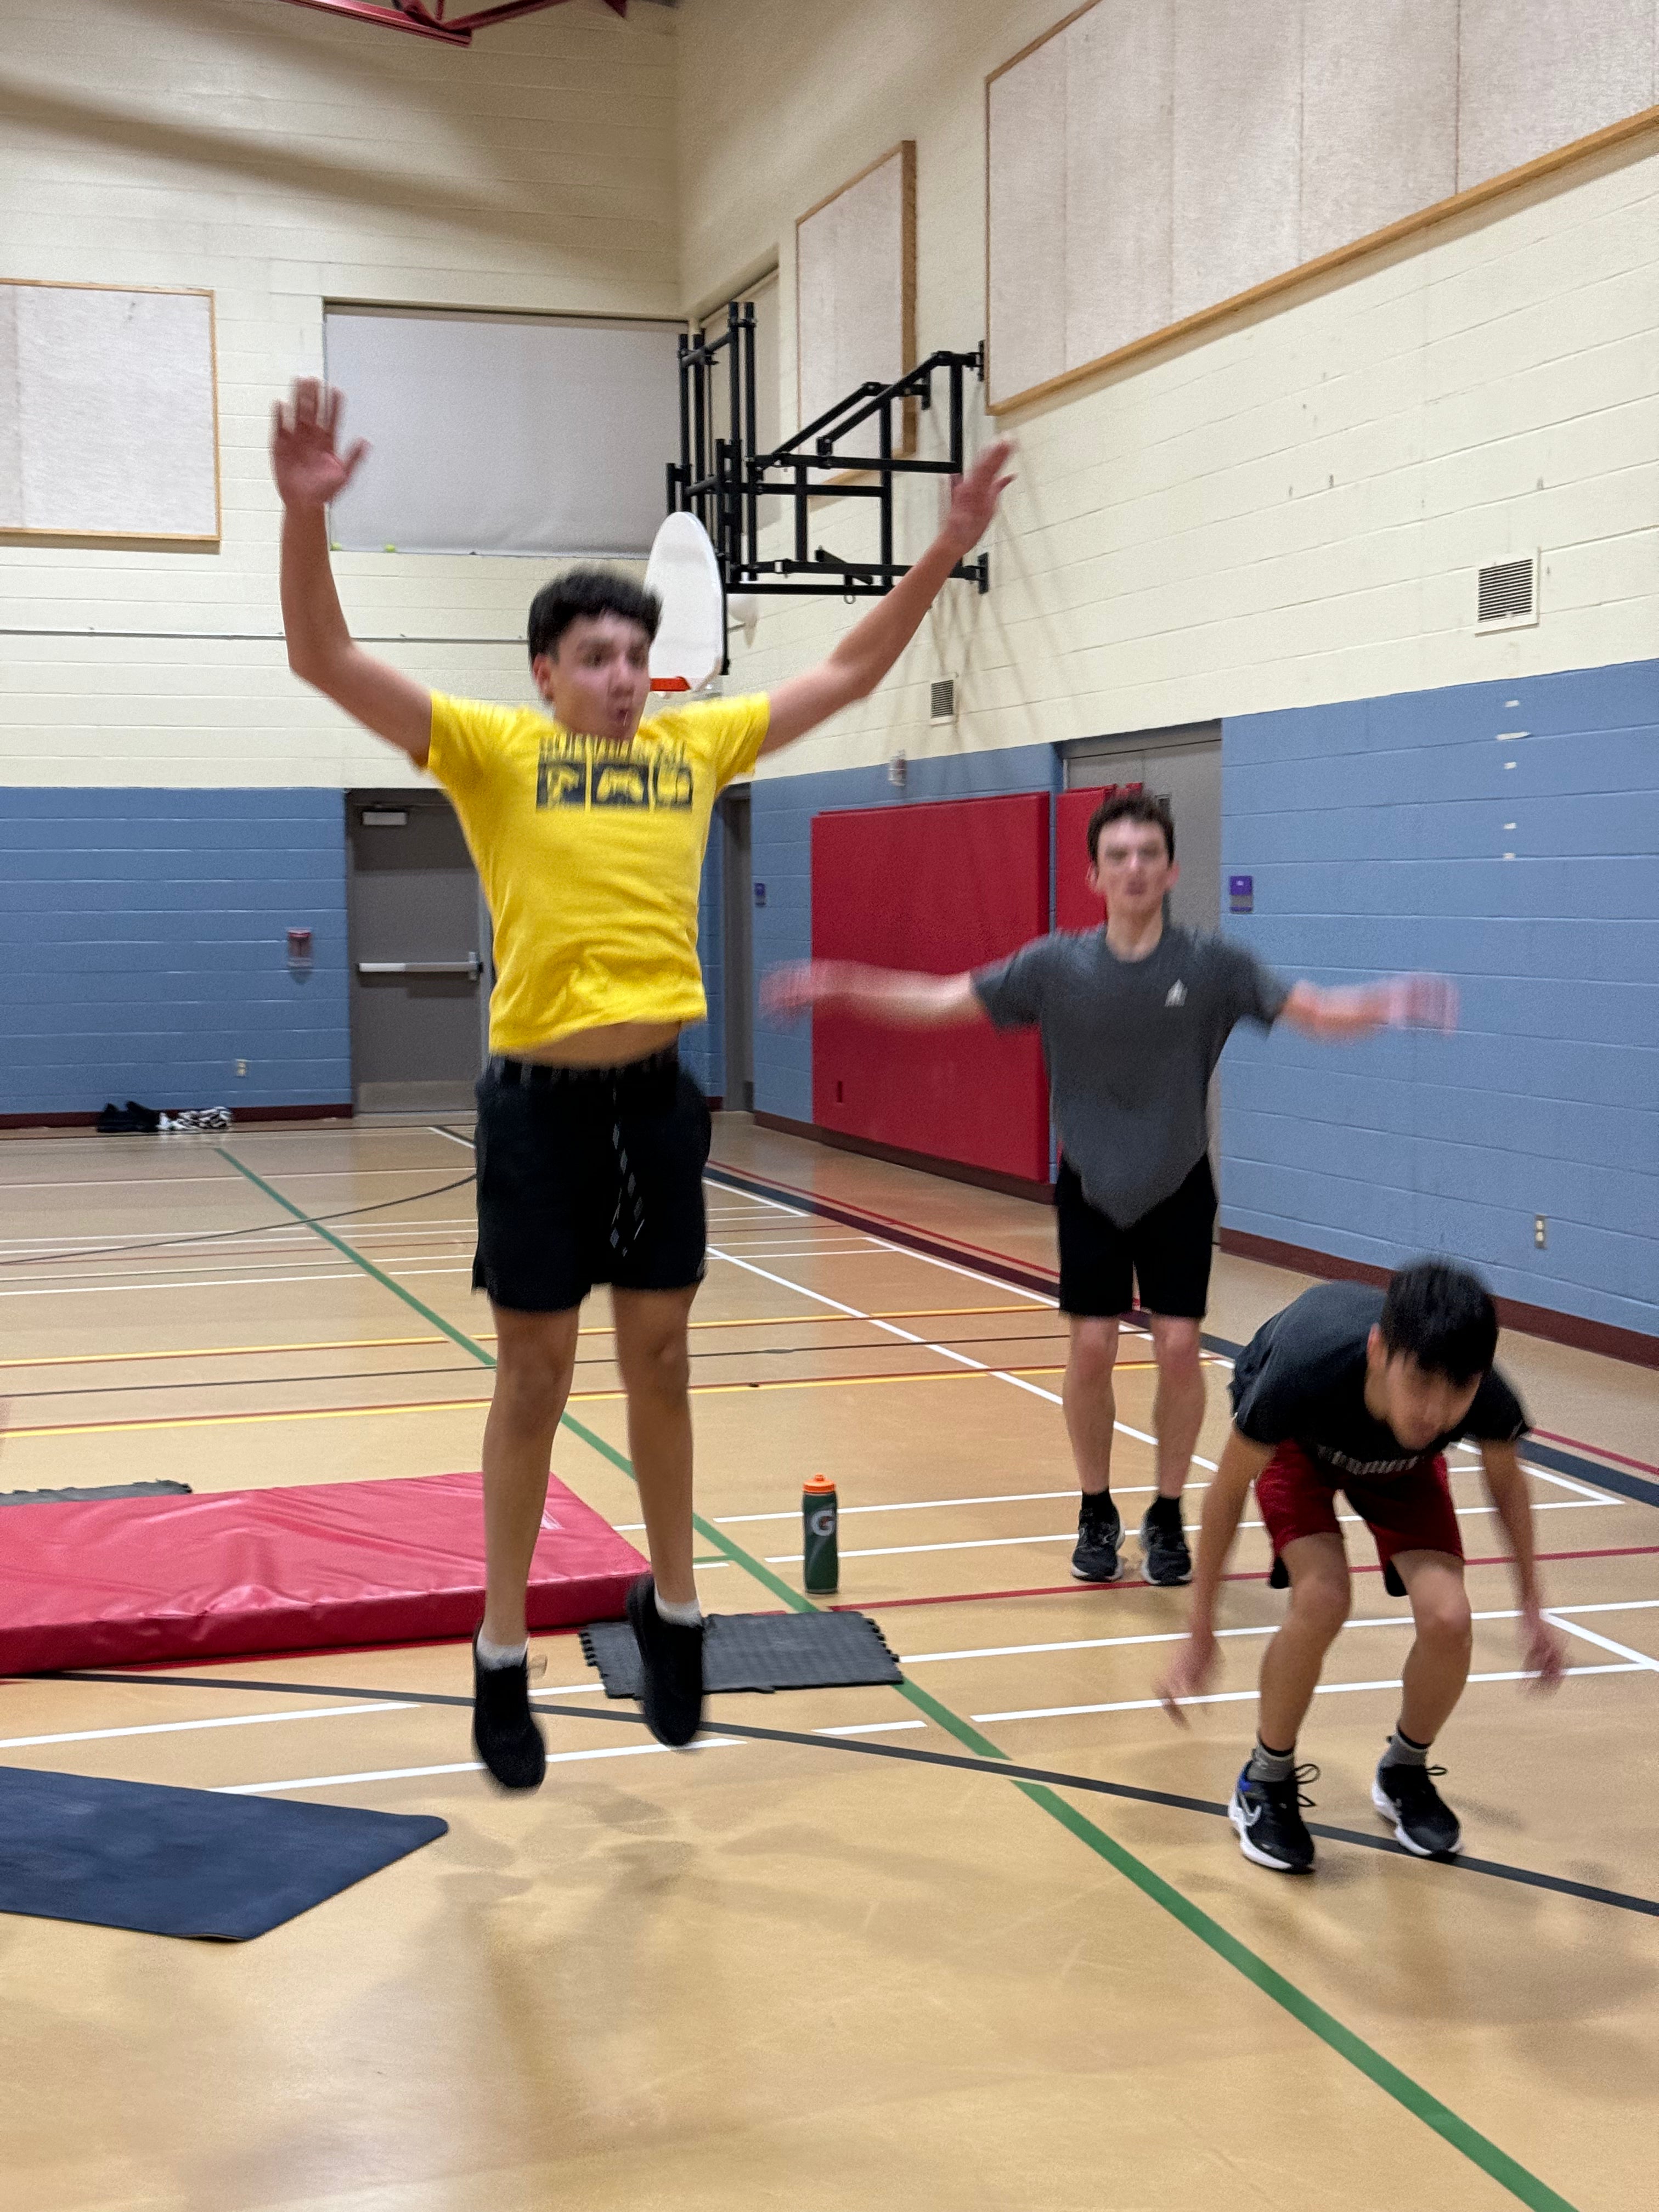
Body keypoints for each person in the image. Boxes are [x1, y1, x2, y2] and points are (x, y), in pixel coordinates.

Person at [271, 376, 1013, 1787]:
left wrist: (941, 547)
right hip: (538, 1110)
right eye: (596, 656)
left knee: (660, 1361)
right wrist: (304, 519)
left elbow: (850, 673)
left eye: (635, 655)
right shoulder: (493, 753)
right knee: (534, 1375)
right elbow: (321, 655)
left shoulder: (694, 746)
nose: (621, 674)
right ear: (546, 671)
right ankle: (500, 1651)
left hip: (657, 1104)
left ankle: (673, 1610)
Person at [765, 792, 1455, 1587]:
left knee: (1178, 1346)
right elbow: (939, 1000)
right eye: (1118, 856)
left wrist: (1388, 1003)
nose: (1134, 868)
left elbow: (1317, 1011)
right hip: (1092, 1184)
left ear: (1171, 870)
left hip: (1178, 1183)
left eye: (1149, 855)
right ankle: (1096, 1505)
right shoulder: (1054, 966)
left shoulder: (1213, 967)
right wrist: (839, 983)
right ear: (1094, 873)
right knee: (1090, 1347)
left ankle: (1166, 1511)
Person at [1155, 1260, 1567, 1871]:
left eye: (1457, 1392)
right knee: (1322, 1598)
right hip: (1300, 1446)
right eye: (1421, 1383)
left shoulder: (1481, 1396)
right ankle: (1264, 1780)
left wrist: (1533, 1607)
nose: (1434, 1411)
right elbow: (1224, 1496)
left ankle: (1404, 1770)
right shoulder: (1302, 1371)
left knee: (1450, 1618)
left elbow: (1507, 1486)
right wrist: (1200, 1630)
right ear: (1379, 1350)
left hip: (1396, 1469)